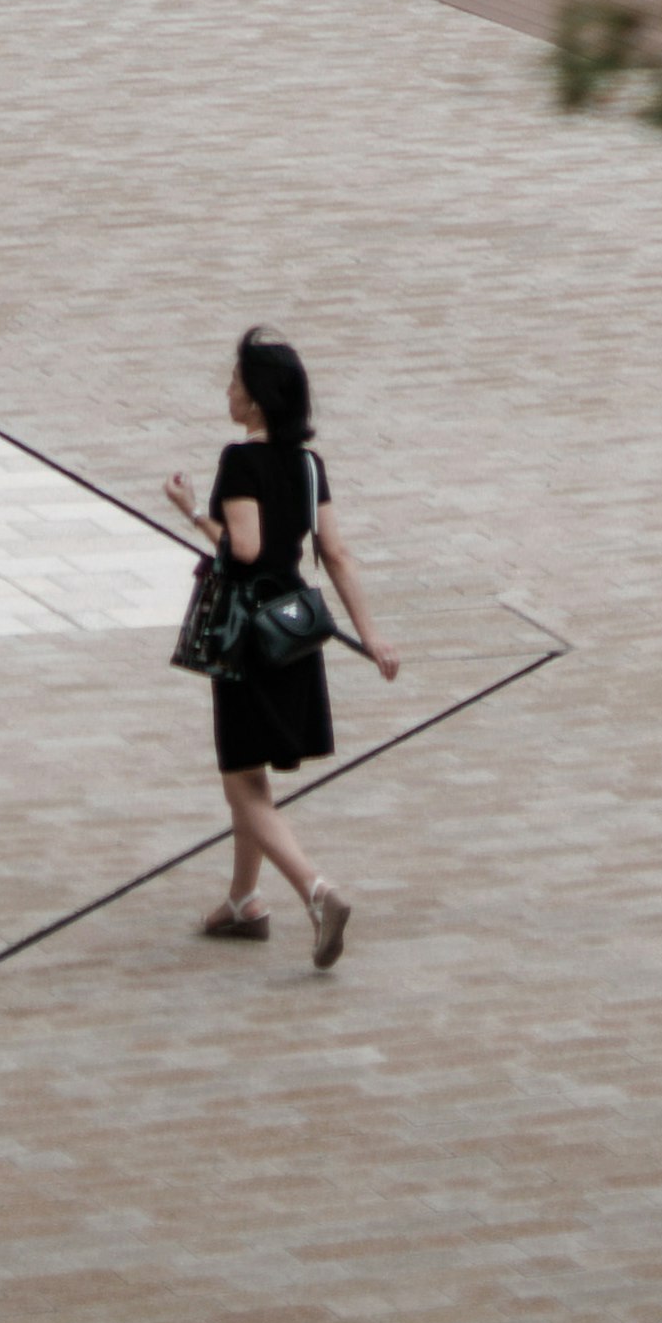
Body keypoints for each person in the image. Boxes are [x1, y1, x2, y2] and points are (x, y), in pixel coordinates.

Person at [166, 326, 398, 965]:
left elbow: (242, 549)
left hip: (245, 640)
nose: (229, 389)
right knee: (253, 770)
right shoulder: (307, 464)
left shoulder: (241, 461)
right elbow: (336, 553)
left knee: (241, 780)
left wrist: (192, 513)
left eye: (236, 381)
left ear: (259, 399)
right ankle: (243, 902)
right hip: (297, 633)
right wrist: (372, 634)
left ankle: (315, 890)